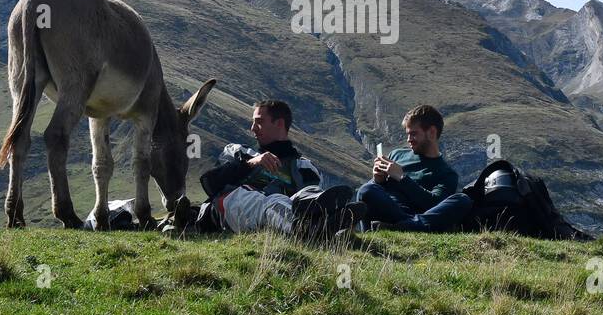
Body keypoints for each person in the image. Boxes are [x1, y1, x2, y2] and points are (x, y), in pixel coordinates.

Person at [198, 99, 361, 238]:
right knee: (272, 201)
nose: (252, 128)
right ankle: (304, 230)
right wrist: (251, 163)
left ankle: (329, 218)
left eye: (259, 122)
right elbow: (212, 184)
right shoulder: (238, 151)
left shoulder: (304, 167)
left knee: (307, 194)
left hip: (278, 214)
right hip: (228, 208)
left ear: (280, 123)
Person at [356, 105, 472, 231]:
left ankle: (405, 226)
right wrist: (377, 180)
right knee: (366, 189)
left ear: (431, 132)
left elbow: (434, 204)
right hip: (392, 212)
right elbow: (372, 192)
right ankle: (407, 227)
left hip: (418, 215)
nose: (409, 139)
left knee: (462, 200)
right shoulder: (396, 155)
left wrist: (402, 178)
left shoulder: (447, 174)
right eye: (408, 134)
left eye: (413, 134)